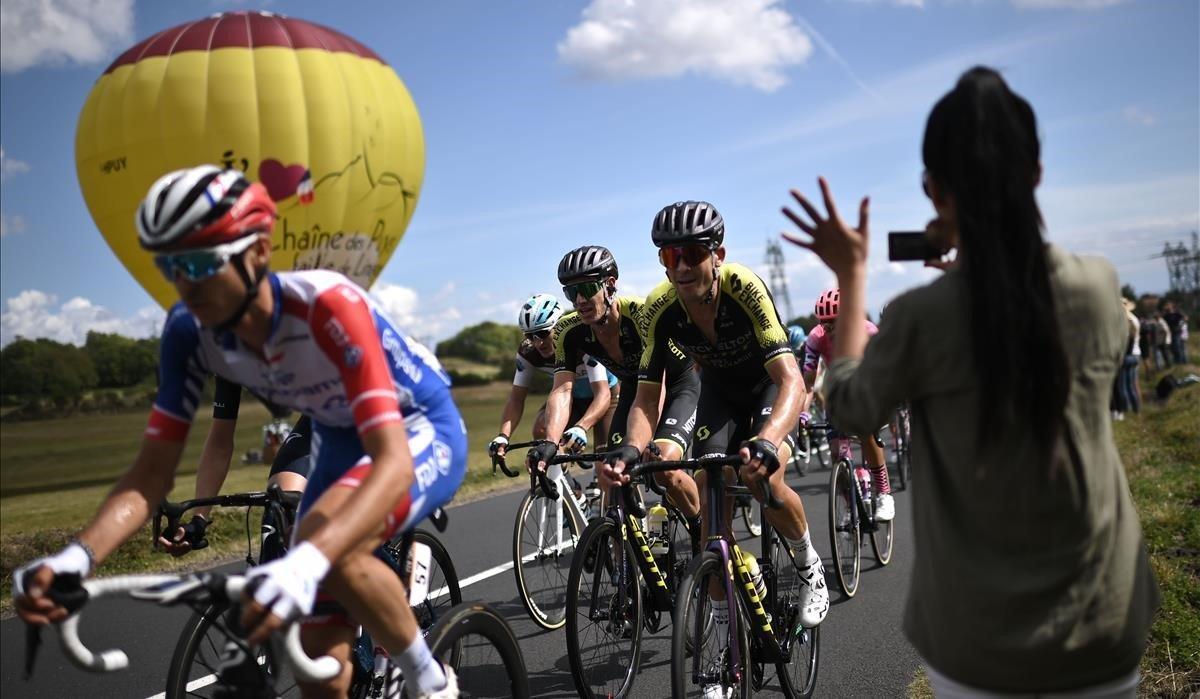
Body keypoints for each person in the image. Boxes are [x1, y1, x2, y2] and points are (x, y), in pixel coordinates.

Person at [13, 165, 465, 699]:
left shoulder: (325, 306)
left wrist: (308, 562)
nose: (186, 282)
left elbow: (389, 460)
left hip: (418, 425)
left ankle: (430, 681)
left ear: (257, 252)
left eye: (203, 262)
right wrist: (75, 558)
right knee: (320, 669)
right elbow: (150, 474)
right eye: (170, 265)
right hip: (338, 436)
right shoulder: (189, 331)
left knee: (327, 546)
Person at [782, 66, 1158, 696]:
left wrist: (851, 278)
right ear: (1036, 172)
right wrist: (979, 260)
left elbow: (849, 405)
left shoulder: (920, 319)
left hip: (978, 639)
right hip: (1106, 618)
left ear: (934, 192)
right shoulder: (1098, 287)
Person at [610, 200, 829, 635]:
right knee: (711, 519)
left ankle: (808, 564)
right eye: (671, 257)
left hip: (767, 386)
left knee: (761, 477)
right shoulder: (660, 308)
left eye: (693, 254)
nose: (683, 266)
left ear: (718, 255)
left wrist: (767, 441)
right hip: (719, 394)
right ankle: (729, 643)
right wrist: (632, 450)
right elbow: (646, 397)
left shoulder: (744, 288)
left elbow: (791, 381)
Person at [530, 245, 703, 537]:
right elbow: (562, 391)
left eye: (587, 288)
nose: (580, 300)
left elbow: (655, 393)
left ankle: (703, 530)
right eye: (572, 293)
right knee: (611, 472)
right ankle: (624, 553)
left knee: (663, 466)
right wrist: (550, 441)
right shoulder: (569, 332)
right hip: (637, 389)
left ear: (610, 285)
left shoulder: (641, 317)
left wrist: (639, 444)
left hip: (677, 387)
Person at [488, 293, 616, 463]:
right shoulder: (528, 353)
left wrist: (581, 427)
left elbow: (603, 395)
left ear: (559, 325)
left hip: (607, 398)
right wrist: (503, 436)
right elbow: (516, 399)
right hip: (570, 399)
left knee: (605, 468)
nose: (538, 342)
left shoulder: (582, 341)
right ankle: (565, 484)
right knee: (542, 431)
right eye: (530, 336)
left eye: (542, 333)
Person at [801, 288, 894, 520]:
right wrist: (803, 413)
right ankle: (850, 505)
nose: (829, 329)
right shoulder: (815, 337)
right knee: (836, 454)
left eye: (833, 322)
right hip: (838, 394)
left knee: (865, 432)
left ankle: (884, 493)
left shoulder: (868, 331)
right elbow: (809, 384)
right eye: (825, 323)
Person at [1162, 301, 1189, 365]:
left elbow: (1185, 318)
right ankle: (1177, 361)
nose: (1167, 307)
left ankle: (1180, 361)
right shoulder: (1166, 315)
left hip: (1177, 332)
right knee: (1173, 348)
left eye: (1168, 305)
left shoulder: (1177, 314)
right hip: (1170, 333)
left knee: (1178, 346)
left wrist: (1180, 325)